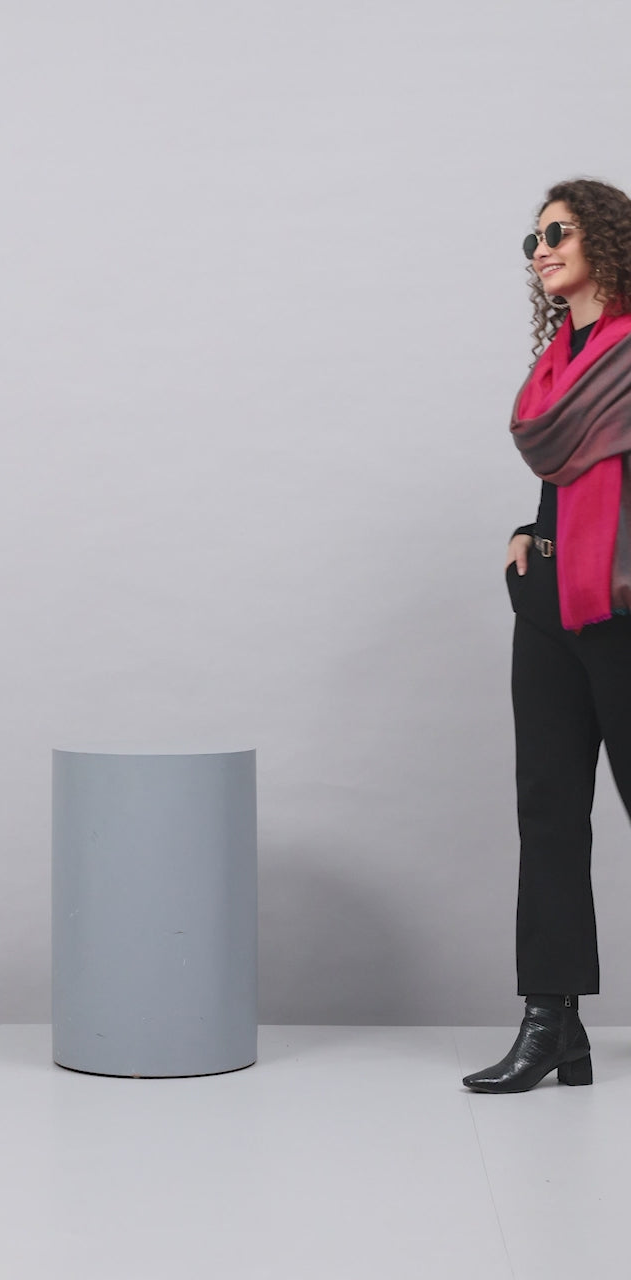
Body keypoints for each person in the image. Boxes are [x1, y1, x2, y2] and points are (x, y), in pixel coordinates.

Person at [463, 178, 631, 1094]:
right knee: (550, 814)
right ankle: (551, 1024)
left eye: (558, 231)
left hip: (625, 611)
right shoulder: (557, 365)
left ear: (605, 238)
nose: (541, 249)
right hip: (551, 610)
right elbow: (568, 474)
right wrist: (530, 533)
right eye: (532, 239)